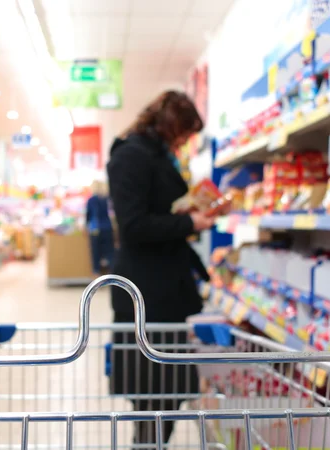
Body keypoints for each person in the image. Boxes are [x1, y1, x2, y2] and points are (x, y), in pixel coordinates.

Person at [106, 90, 215, 447]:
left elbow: (157, 211)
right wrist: (189, 225)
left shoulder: (157, 155)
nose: (185, 141)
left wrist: (188, 215)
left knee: (165, 394)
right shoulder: (131, 155)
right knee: (151, 394)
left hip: (167, 291)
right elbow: (133, 225)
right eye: (184, 132)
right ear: (170, 124)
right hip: (145, 294)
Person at [85, 181, 115, 275]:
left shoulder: (91, 200)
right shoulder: (107, 199)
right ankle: (112, 274)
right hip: (108, 227)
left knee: (96, 253)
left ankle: (96, 274)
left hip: (95, 229)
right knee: (110, 252)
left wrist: (86, 226)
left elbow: (88, 216)